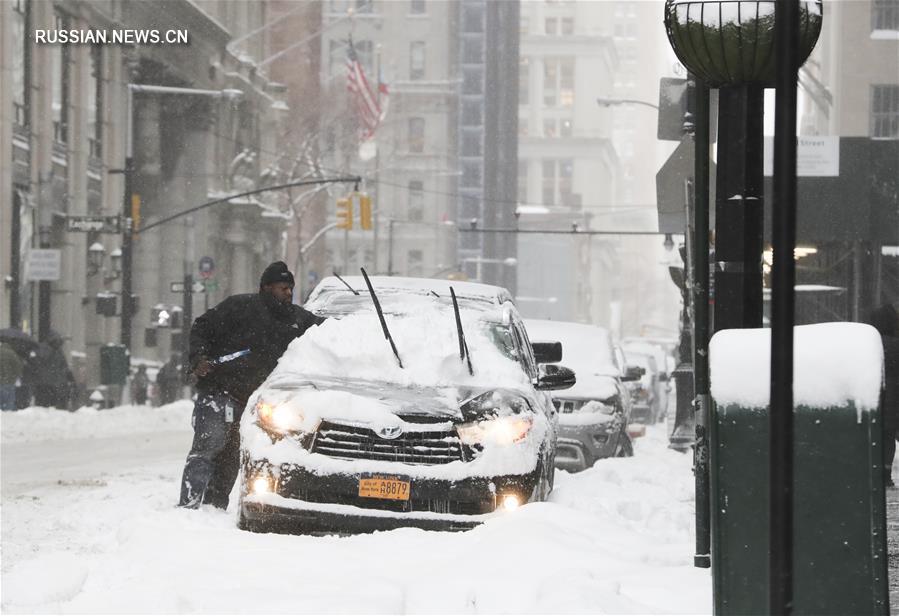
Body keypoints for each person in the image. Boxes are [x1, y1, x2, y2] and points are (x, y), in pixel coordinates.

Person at [178, 261, 325, 509]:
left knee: (231, 460)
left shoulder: (297, 320)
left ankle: (213, 508)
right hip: (218, 393)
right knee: (207, 448)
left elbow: (329, 330)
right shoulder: (239, 307)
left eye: (291, 288)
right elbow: (202, 326)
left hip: (250, 403)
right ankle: (188, 507)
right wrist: (199, 358)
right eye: (283, 288)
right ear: (266, 288)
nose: (288, 293)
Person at [869, 303, 899, 487]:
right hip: (894, 397)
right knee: (888, 436)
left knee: (875, 435)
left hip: (874, 394)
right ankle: (886, 473)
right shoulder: (896, 345)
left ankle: (874, 470)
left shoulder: (869, 344)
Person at [25, 331, 74, 409]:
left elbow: (63, 365)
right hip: (47, 383)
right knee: (47, 404)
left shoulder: (54, 350)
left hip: (47, 383)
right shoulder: (49, 350)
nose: (58, 343)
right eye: (56, 341)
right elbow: (63, 365)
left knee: (46, 404)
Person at [0, 342, 24, 411]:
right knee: (9, 399)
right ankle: (8, 412)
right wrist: (17, 376)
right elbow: (18, 367)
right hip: (9, 380)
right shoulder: (12, 354)